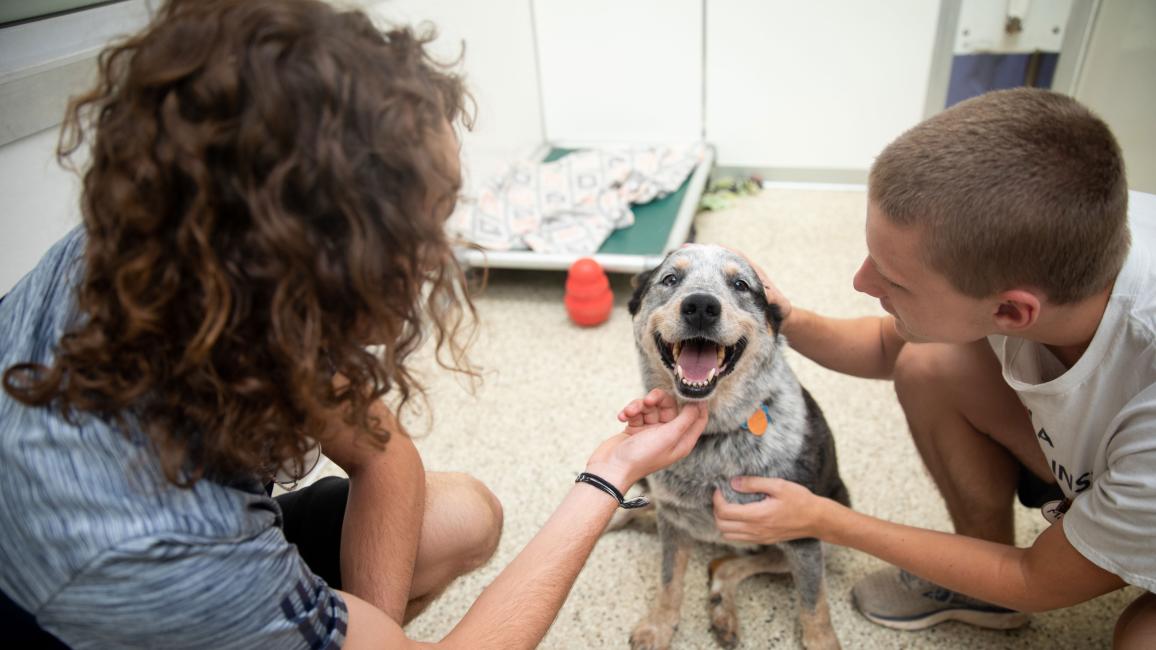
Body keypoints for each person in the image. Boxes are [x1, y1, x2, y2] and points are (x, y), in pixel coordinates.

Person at [0, 0, 710, 647]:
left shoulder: (197, 254)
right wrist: (605, 478)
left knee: (467, 515)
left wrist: (370, 628)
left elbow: (384, 456)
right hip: (109, 605)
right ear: (321, 252)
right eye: (420, 227)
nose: (442, 258)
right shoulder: (155, 549)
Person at [712, 87, 1155, 648]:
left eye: (893, 280)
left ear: (1011, 311)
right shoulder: (1075, 226)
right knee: (930, 362)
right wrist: (786, 318)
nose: (860, 281)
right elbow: (885, 345)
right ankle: (980, 589)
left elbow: (1038, 579)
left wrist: (823, 519)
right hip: (1117, 460)